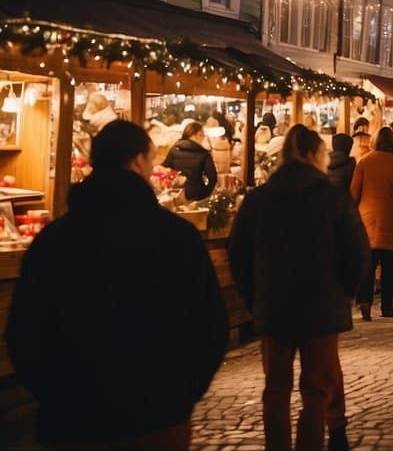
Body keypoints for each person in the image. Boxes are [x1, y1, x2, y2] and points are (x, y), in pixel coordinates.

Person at [7, 120, 228, 450]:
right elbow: (210, 326)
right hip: (156, 418)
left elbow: (23, 333)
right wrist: (178, 397)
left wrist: (56, 396)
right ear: (138, 160)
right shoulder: (175, 237)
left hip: (74, 420)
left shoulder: (54, 241)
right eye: (152, 160)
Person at [229, 125, 370, 451]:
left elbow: (238, 253)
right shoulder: (332, 198)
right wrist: (343, 293)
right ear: (312, 155)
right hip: (321, 308)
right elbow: (358, 251)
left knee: (276, 389)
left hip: (273, 306)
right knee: (316, 390)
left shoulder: (259, 199)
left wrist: (255, 297)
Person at [350, 127, 393, 320]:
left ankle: (364, 302)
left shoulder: (364, 161)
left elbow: (354, 193)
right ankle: (387, 306)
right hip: (390, 218)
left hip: (366, 219)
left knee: (367, 265)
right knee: (387, 267)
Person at [162, 121, 219, 203]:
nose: (203, 138)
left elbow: (165, 168)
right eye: (202, 135)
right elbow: (213, 178)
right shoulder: (203, 154)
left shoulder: (174, 149)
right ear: (198, 134)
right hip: (197, 195)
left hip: (176, 195)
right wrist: (205, 193)